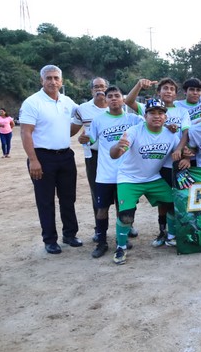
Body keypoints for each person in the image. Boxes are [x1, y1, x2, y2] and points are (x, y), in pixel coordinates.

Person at [109, 98, 184, 265]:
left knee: (174, 204)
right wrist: (118, 147)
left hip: (152, 178)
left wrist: (186, 155)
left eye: (160, 113)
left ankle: (171, 236)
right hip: (129, 178)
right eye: (152, 113)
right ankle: (121, 247)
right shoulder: (134, 131)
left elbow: (180, 152)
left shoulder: (170, 135)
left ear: (165, 117)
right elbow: (115, 154)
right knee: (126, 216)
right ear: (145, 116)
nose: (157, 116)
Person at [19, 64, 81, 254]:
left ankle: (70, 234)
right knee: (45, 201)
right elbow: (26, 132)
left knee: (68, 198)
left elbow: (81, 116)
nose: (52, 82)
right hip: (42, 157)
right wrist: (33, 160)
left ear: (61, 81)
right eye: (48, 78)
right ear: (42, 80)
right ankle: (50, 240)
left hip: (65, 156)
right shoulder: (32, 102)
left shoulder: (67, 101)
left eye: (56, 78)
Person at [125, 77, 188, 248]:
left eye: (172, 89)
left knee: (176, 199)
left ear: (176, 94)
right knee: (163, 202)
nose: (168, 91)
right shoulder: (150, 107)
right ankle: (162, 231)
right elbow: (128, 101)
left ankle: (176, 233)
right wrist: (139, 85)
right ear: (158, 92)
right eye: (165, 88)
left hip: (177, 161)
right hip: (160, 163)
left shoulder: (182, 111)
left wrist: (180, 151)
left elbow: (185, 133)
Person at [87, 86, 143, 258]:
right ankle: (101, 242)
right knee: (101, 209)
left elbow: (153, 123)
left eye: (117, 96)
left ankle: (122, 239)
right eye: (109, 96)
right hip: (105, 174)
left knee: (123, 209)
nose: (113, 99)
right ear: (105, 100)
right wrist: (84, 138)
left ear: (123, 99)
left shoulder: (133, 119)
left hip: (126, 174)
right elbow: (90, 140)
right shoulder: (98, 120)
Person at [71, 77, 112, 241]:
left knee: (120, 190)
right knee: (97, 192)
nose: (99, 89)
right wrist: (80, 138)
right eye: (96, 87)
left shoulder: (116, 106)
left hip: (116, 155)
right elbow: (72, 131)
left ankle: (126, 226)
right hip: (93, 156)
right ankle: (99, 229)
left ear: (108, 88)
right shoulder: (83, 109)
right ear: (91, 90)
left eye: (102, 86)